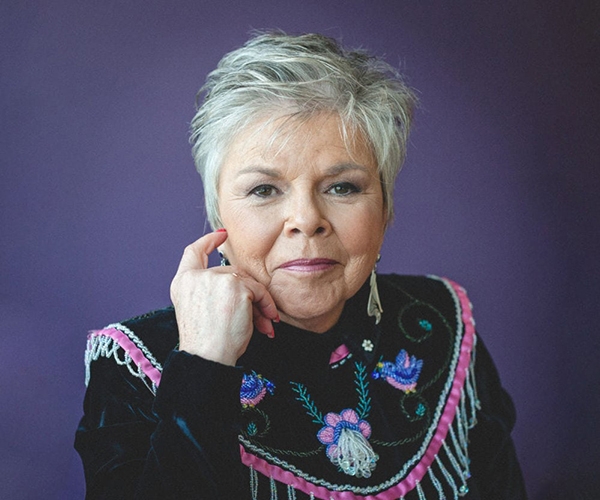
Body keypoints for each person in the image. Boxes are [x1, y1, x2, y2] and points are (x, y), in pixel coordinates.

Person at [74, 31, 527, 499]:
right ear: (218, 217)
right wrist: (203, 364)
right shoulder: (135, 363)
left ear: (385, 209)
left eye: (342, 187)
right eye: (264, 190)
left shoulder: (442, 323)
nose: (307, 220)